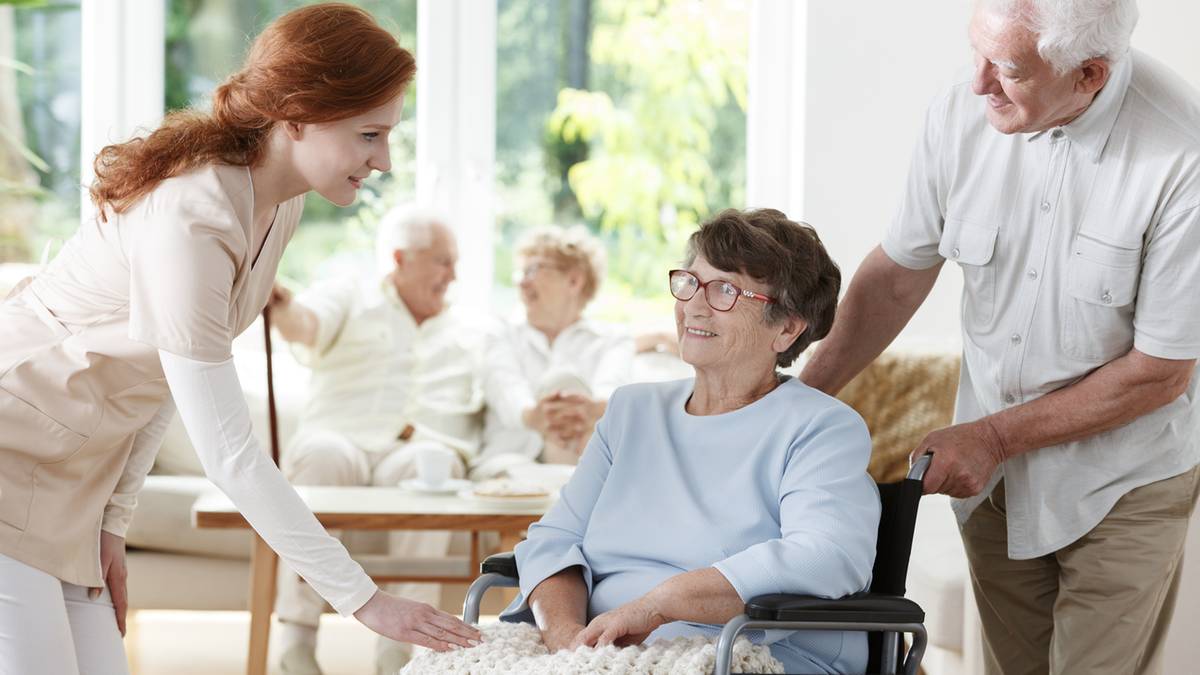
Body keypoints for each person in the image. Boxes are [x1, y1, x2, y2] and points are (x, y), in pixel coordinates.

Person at [0, 5, 480, 673]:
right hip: (12, 447)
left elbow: (173, 369)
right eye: (369, 134)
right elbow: (230, 453)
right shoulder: (193, 216)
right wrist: (364, 600)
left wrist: (111, 523)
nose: (386, 160)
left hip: (76, 476)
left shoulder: (277, 202)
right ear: (297, 116)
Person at [800, 1, 1200, 673]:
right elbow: (898, 275)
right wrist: (800, 398)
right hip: (994, 492)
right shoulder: (961, 111)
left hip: (1121, 485)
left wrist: (991, 436)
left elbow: (1160, 370)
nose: (978, 82)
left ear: (1089, 75)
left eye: (1008, 68)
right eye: (977, 53)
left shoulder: (1181, 156)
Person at [499, 209, 881, 674]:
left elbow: (825, 555)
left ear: (787, 327)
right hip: (604, 652)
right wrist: (568, 650)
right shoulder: (631, 412)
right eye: (690, 282)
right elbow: (555, 540)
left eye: (725, 290)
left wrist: (660, 605)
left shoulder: (821, 427)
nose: (694, 306)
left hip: (749, 652)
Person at [267, 205, 484, 674]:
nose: (453, 275)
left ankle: (397, 654)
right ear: (401, 258)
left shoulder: (466, 329)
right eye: (443, 261)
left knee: (434, 465)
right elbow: (304, 324)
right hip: (338, 435)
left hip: (412, 448)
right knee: (322, 457)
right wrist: (281, 305)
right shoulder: (351, 294)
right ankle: (296, 644)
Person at [473, 225, 635, 478]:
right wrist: (534, 416)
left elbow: (611, 392)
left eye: (533, 270)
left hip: (586, 464)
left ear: (574, 280)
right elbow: (505, 389)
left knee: (566, 382)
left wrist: (587, 409)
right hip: (509, 465)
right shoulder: (500, 334)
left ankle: (569, 489)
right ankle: (570, 496)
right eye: (521, 273)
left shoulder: (613, 340)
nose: (522, 282)